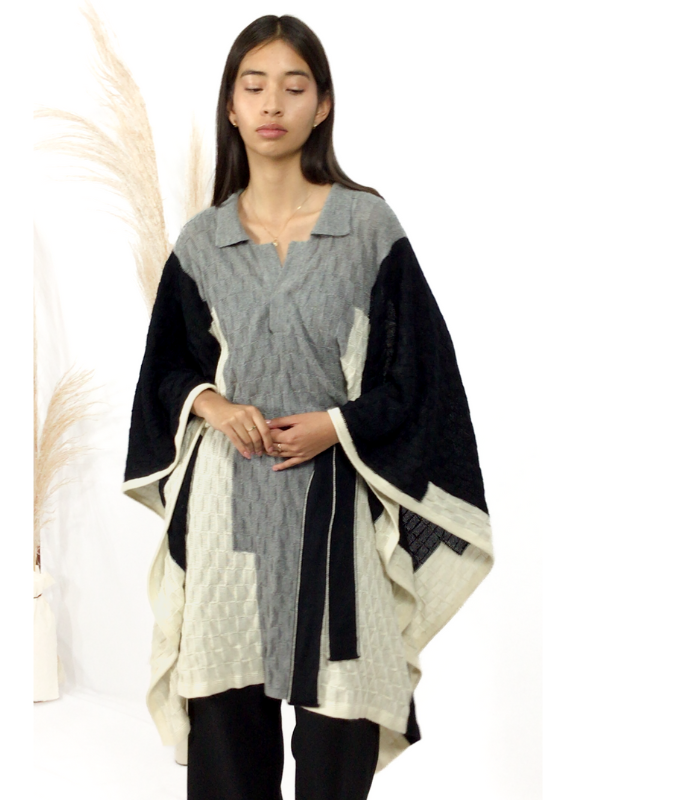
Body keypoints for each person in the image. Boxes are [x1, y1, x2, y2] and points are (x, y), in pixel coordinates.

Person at [122, 14, 494, 800]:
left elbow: (422, 375)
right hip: (227, 514)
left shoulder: (368, 227)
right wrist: (211, 403)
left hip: (335, 519)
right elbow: (164, 369)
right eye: (254, 86)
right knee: (229, 743)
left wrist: (337, 425)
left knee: (338, 739)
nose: (272, 104)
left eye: (294, 87)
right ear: (230, 107)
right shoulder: (202, 241)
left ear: (322, 105)